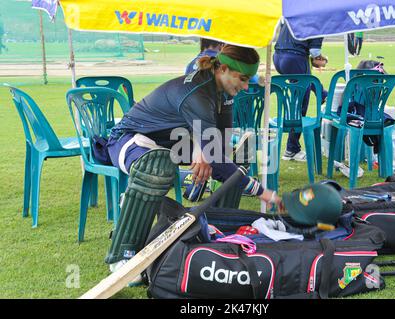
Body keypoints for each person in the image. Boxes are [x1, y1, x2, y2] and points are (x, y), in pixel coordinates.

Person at [104, 44, 283, 274]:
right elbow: (214, 153)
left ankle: (212, 236)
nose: (247, 86)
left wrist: (206, 149)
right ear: (224, 69)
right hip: (128, 140)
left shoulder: (223, 91)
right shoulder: (199, 92)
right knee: (155, 168)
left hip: (170, 143)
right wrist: (267, 194)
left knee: (231, 167)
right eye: (243, 78)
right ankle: (122, 255)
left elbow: (221, 145)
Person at [273, 23, 328, 162]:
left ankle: (324, 95)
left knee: (306, 84)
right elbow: (315, 53)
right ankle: (292, 149)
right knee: (300, 104)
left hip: (278, 56)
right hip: (294, 57)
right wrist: (322, 59)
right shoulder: (320, 17)